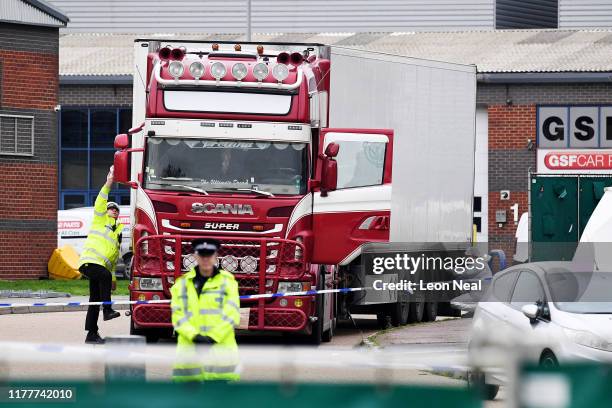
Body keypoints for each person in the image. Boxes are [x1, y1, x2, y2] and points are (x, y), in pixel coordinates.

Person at [170, 238, 241, 382]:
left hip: (220, 360)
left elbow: (231, 314)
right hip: (189, 360)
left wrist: (212, 337)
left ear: (216, 256)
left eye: (209, 254)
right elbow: (178, 316)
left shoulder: (228, 282)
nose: (206, 259)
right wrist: (194, 336)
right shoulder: (181, 284)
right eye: (202, 255)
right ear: (195, 256)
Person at [78, 166, 124, 344]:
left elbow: (111, 260)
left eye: (116, 210)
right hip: (89, 262)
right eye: (111, 208)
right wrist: (108, 183)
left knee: (94, 300)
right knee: (102, 277)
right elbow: (100, 201)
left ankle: (92, 334)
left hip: (101, 267)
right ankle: (107, 310)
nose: (114, 210)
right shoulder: (100, 219)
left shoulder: (116, 232)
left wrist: (112, 278)